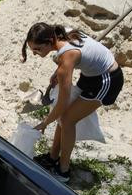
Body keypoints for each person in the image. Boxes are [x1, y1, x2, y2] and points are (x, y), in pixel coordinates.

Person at [22, 23, 124, 183]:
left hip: (107, 79)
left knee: (67, 119)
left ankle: (63, 171)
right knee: (63, 118)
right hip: (91, 74)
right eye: (32, 50)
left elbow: (62, 104)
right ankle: (52, 157)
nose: (35, 53)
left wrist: (44, 123)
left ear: (49, 41)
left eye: (37, 49)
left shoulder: (67, 58)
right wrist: (59, 71)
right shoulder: (63, 32)